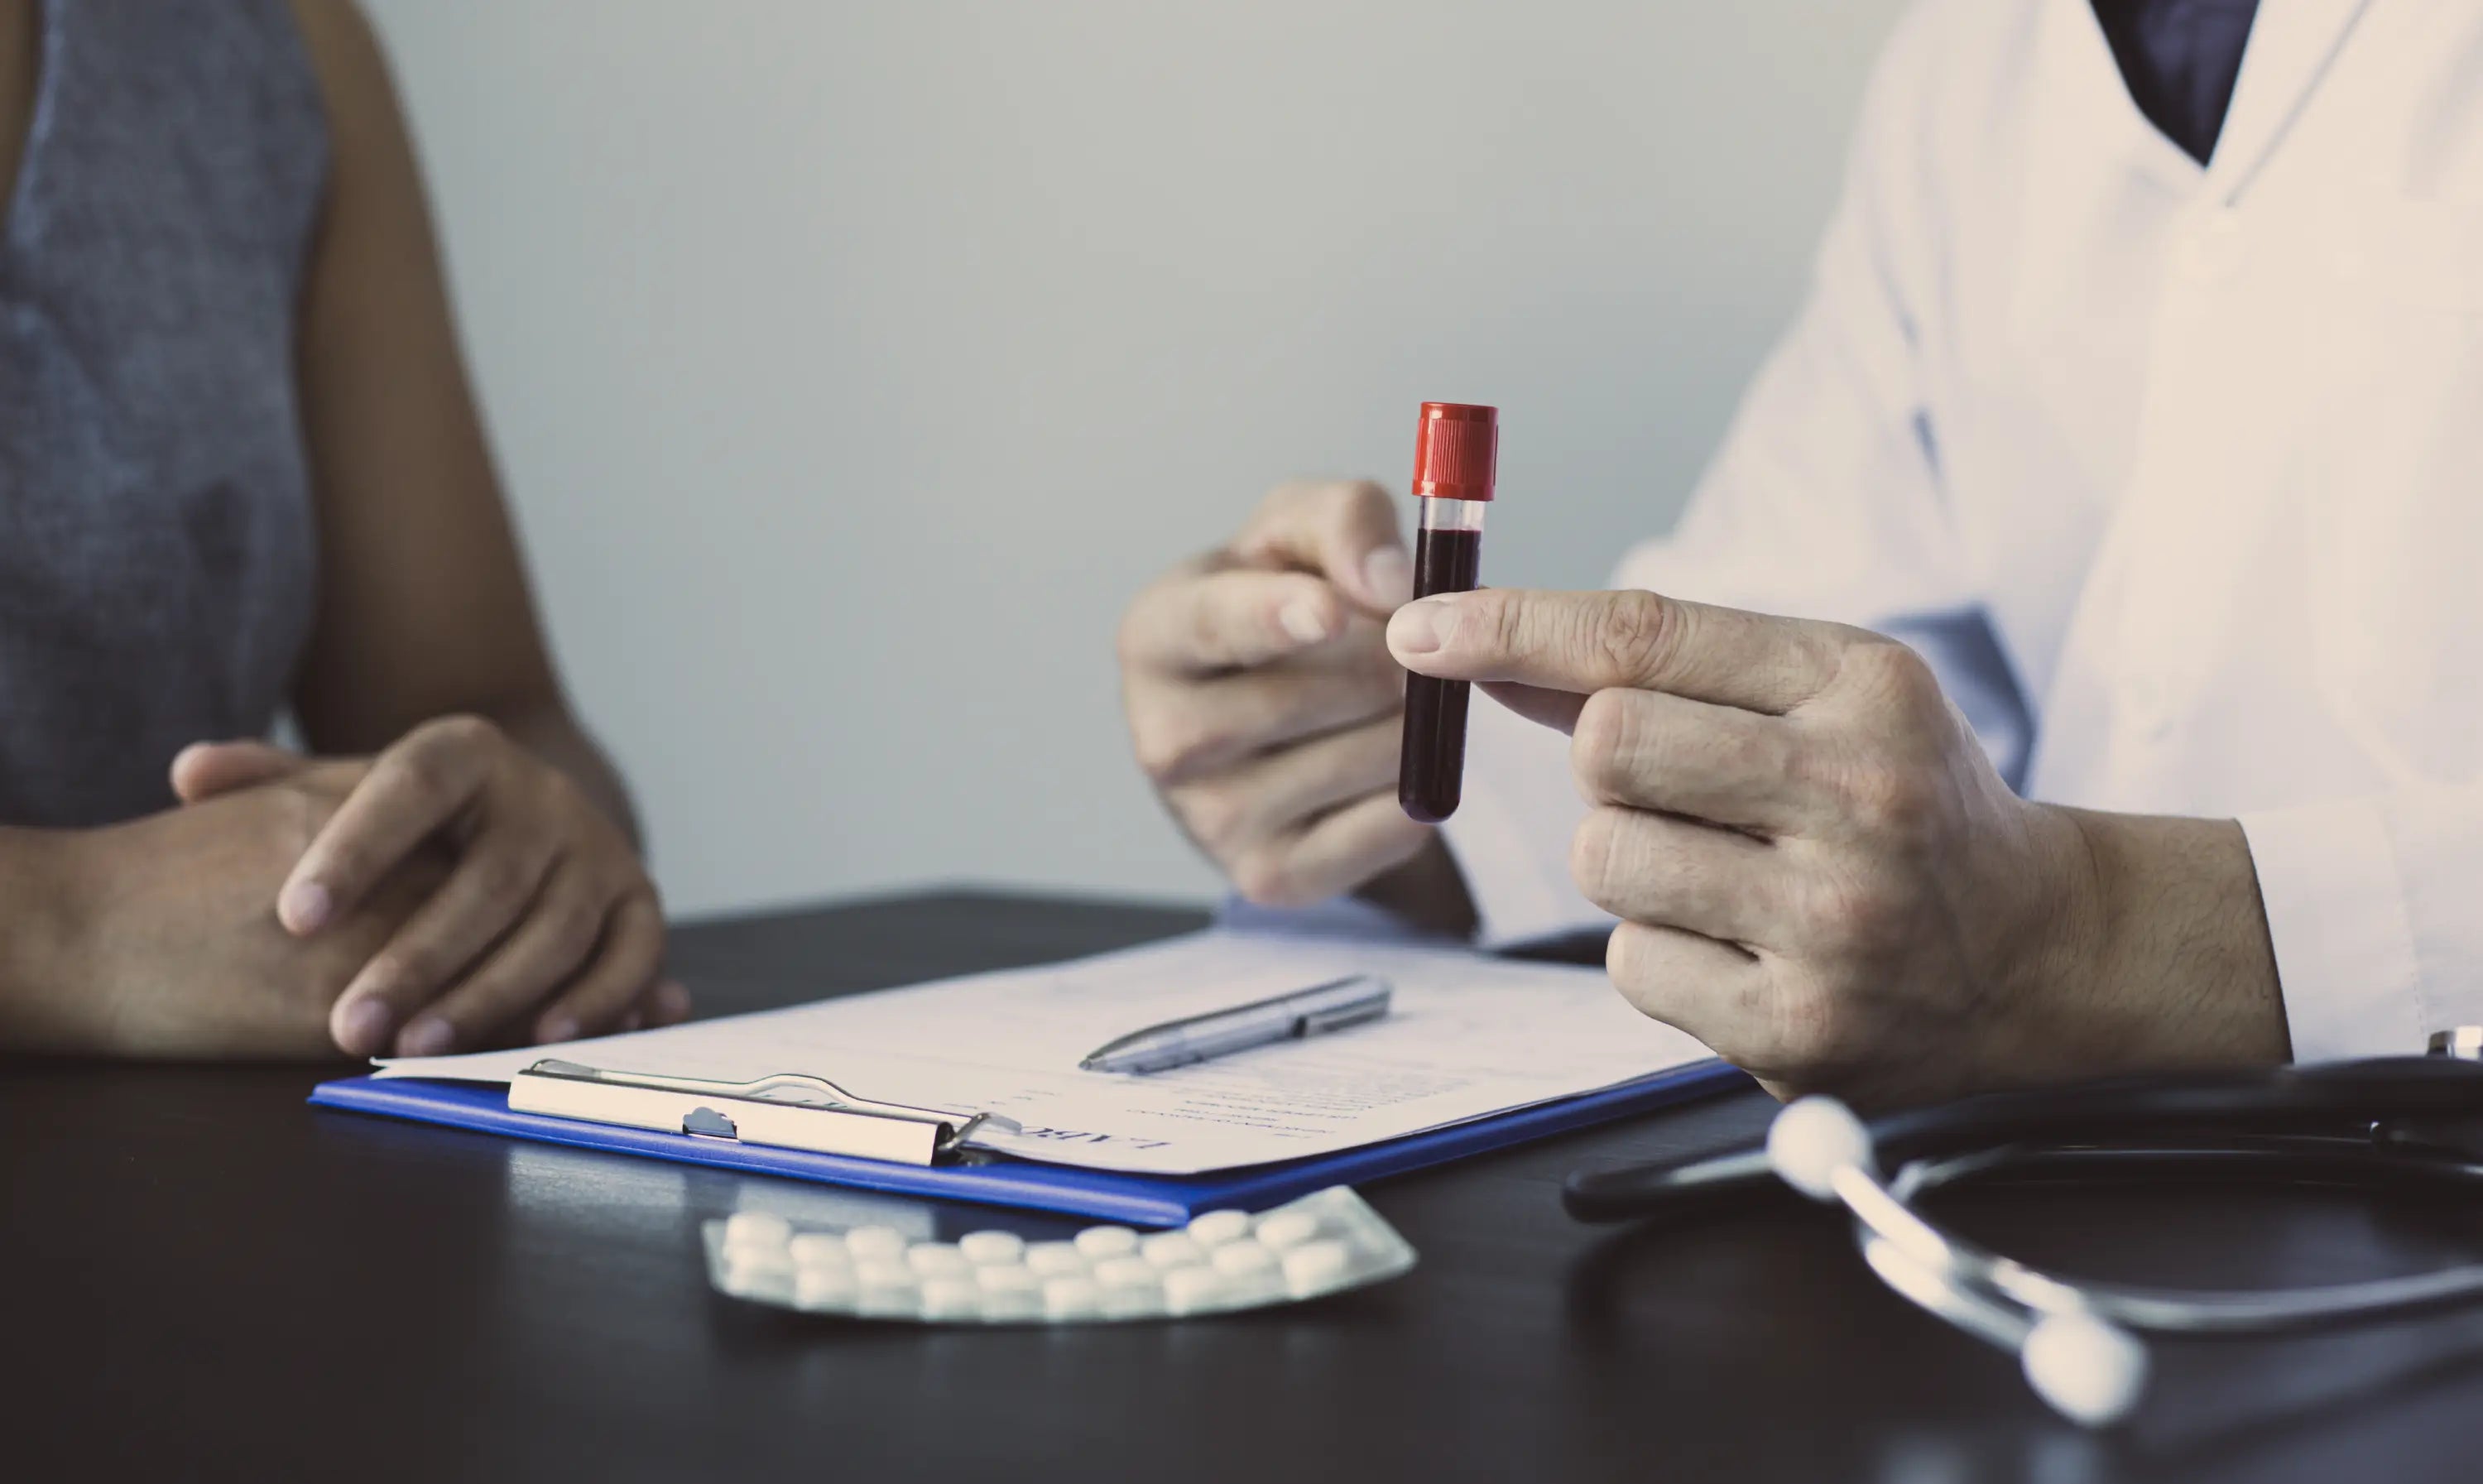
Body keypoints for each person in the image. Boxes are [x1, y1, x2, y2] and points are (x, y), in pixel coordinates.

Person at [1118, 0, 2483, 1107]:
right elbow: (1829, 669)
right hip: (2045, 1207)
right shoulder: (1971, 65)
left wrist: (2113, 931)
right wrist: (1361, 750)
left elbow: (2008, 899)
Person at [0, 0, 686, 1059]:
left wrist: (509, 859)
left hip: (199, 1169)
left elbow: (490, 709)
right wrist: (68, 923)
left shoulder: (276, 41)